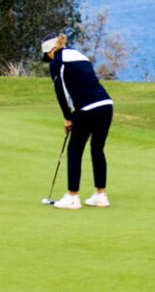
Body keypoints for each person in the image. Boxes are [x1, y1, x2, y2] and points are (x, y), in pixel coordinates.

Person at [42, 32, 113, 210]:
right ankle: (100, 195)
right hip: (106, 104)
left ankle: (73, 197)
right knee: (97, 149)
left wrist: (68, 117)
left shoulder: (57, 63)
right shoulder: (78, 54)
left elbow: (61, 92)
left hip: (87, 108)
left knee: (74, 151)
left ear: (51, 50)